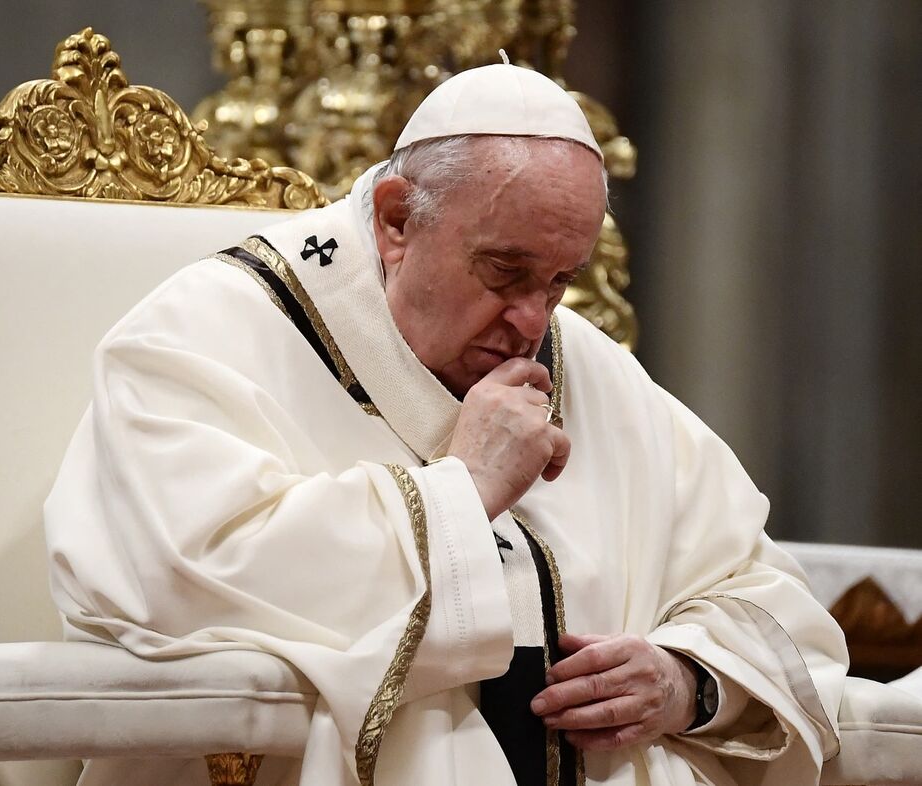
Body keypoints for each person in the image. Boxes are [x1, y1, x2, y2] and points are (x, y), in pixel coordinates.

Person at [43, 60, 848, 786]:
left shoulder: (586, 364)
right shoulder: (203, 335)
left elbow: (760, 588)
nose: (532, 321)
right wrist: (459, 495)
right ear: (397, 220)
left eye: (561, 280)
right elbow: (182, 581)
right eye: (505, 271)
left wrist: (688, 681)